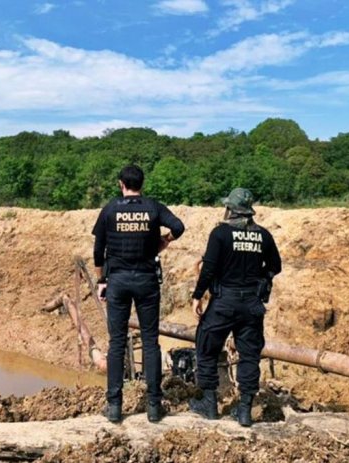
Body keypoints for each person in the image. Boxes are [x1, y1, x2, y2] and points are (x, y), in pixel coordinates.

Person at [93, 164, 185, 424]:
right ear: (142, 184)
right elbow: (179, 227)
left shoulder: (110, 208)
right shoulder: (153, 207)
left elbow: (98, 250)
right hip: (146, 281)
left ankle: (114, 406)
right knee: (150, 341)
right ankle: (154, 406)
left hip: (118, 281)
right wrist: (164, 241)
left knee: (116, 342)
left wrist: (101, 280)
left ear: (121, 184)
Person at [189, 187, 282, 427]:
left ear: (230, 209)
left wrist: (197, 296)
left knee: (206, 347)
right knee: (250, 355)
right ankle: (244, 412)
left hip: (224, 302)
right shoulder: (263, 235)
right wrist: (260, 279)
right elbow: (276, 266)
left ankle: (209, 404)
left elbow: (208, 269)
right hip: (251, 304)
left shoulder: (220, 233)